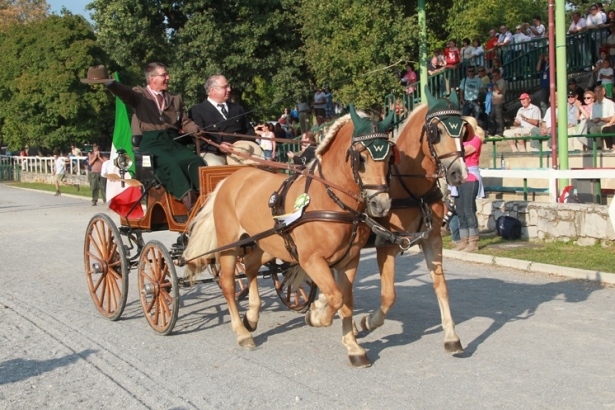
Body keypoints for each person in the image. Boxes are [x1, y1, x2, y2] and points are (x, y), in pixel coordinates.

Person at [82, 63, 205, 213]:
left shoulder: (175, 98)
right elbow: (124, 92)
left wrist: (196, 129)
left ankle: (206, 199)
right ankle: (192, 206)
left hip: (173, 142)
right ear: (152, 78)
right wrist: (108, 82)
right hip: (152, 143)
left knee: (196, 161)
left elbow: (184, 122)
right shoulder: (140, 95)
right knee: (172, 164)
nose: (168, 77)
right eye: (164, 75)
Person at [190, 74, 254, 167]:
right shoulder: (197, 110)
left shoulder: (238, 109)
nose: (229, 89)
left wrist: (239, 144)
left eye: (229, 86)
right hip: (213, 152)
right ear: (212, 90)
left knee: (261, 165)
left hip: (240, 151)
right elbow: (198, 139)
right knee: (214, 167)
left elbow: (250, 131)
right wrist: (219, 147)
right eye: (225, 87)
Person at [452, 117, 485, 253]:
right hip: (460, 177)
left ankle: (473, 241)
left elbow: (463, 152)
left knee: (468, 210)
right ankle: (463, 239)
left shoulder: (475, 139)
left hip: (471, 177)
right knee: (460, 210)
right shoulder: (462, 141)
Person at [589, 84, 615, 149]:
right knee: (591, 129)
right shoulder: (594, 105)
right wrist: (593, 121)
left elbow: (612, 117)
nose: (598, 92)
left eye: (599, 90)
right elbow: (592, 118)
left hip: (608, 125)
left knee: (604, 128)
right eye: (596, 91)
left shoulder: (610, 103)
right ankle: (599, 148)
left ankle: (608, 147)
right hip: (597, 125)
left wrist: (601, 119)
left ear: (604, 92)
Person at [488, 68, 507, 137]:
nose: (495, 77)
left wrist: (494, 84)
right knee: (491, 117)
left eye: (496, 75)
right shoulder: (494, 82)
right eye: (493, 76)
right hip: (493, 101)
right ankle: (492, 131)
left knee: (498, 117)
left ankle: (500, 132)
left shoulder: (502, 81)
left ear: (499, 74)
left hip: (499, 101)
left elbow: (498, 91)